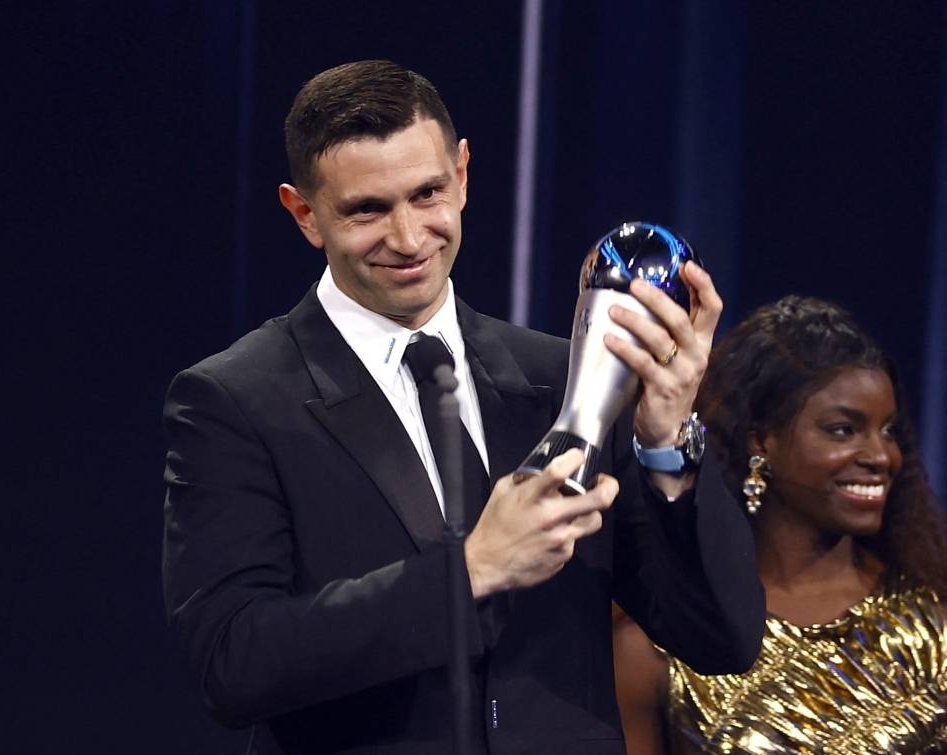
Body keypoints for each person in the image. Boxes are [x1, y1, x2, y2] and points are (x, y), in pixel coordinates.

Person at [162, 59, 763, 755]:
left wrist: (667, 441)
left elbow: (722, 638)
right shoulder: (233, 398)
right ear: (304, 213)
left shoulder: (558, 381)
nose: (410, 238)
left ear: (464, 174)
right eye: (367, 209)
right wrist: (472, 569)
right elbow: (234, 663)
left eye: (427, 194)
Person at [613, 295, 947, 754]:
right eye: (843, 430)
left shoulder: (934, 622)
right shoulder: (660, 644)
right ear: (761, 441)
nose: (881, 457)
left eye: (888, 431)